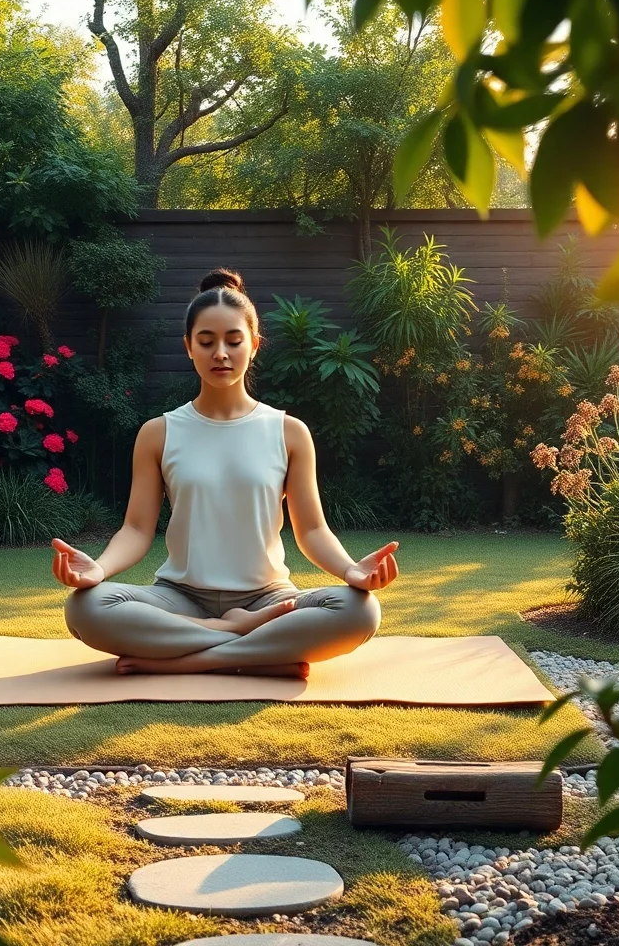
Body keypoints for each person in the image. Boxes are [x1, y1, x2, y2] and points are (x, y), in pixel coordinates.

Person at [52, 267, 399, 679]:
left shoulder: (288, 432)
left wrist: (351, 571)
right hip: (177, 597)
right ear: (188, 347)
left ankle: (200, 657)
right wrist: (99, 569)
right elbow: (136, 529)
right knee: (86, 607)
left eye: (234, 341)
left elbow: (311, 531)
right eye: (207, 341)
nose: (221, 353)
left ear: (253, 345)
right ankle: (244, 642)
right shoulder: (158, 433)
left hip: (268, 600)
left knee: (359, 611)